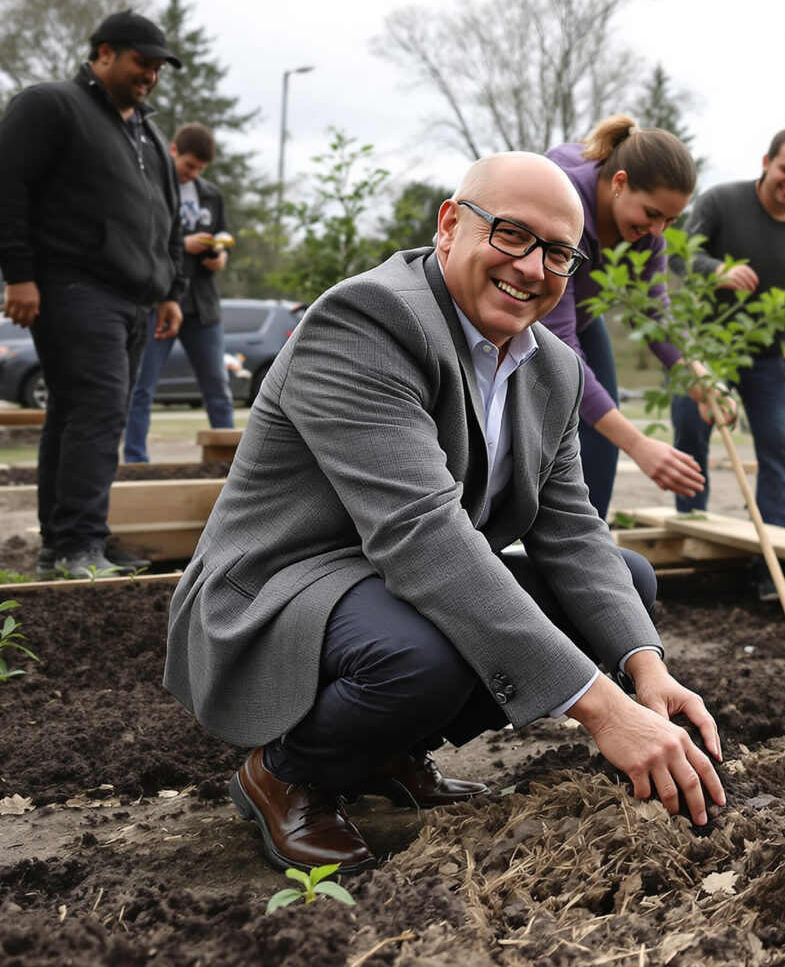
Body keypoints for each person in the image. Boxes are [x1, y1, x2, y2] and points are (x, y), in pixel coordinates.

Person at [163, 153, 725, 875]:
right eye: (512, 234)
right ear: (451, 225)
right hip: (278, 590)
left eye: (558, 253)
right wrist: (604, 710)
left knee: (627, 582)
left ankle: (385, 750)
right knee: (420, 654)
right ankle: (288, 774)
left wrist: (646, 671)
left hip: (389, 585)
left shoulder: (551, 367)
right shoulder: (369, 319)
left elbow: (572, 533)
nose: (532, 268)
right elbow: (421, 534)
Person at [0, 11, 186, 577]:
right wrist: (19, 273)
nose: (150, 75)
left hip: (136, 300)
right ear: (104, 53)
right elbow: (8, 185)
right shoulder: (51, 105)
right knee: (99, 413)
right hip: (74, 286)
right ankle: (79, 544)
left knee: (76, 415)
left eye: (158, 68)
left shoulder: (148, 134)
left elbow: (169, 218)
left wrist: (171, 290)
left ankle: (65, 543)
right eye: (141, 62)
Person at [672, 129, 785, 595]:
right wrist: (717, 272)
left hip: (769, 357)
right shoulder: (721, 202)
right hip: (707, 349)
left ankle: (770, 567)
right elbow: (681, 256)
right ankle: (694, 548)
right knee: (691, 437)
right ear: (766, 162)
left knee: (776, 452)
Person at [542, 116, 706, 516]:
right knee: (579, 419)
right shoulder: (562, 201)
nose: (658, 230)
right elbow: (560, 344)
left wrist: (699, 376)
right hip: (525, 320)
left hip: (578, 318)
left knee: (603, 424)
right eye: (652, 213)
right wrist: (639, 445)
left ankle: (591, 540)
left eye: (670, 220)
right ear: (619, 182)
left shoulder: (648, 236)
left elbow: (654, 311)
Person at [123, 123, 234, 465]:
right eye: (189, 165)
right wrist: (183, 244)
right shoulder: (150, 185)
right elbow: (139, 239)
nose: (194, 173)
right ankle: (136, 461)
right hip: (159, 304)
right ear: (173, 150)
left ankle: (230, 464)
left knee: (218, 387)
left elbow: (223, 237)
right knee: (142, 387)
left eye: (201, 169)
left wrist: (220, 257)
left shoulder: (211, 194)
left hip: (203, 307)